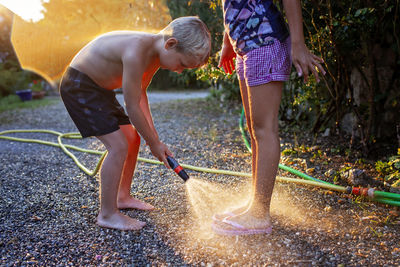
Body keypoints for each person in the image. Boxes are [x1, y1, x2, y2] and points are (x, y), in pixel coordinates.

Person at [59, 16, 211, 231]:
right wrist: (154, 143)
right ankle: (108, 214)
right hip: (79, 85)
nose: (179, 71)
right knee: (118, 146)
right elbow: (131, 106)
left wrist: (154, 140)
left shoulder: (155, 56)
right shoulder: (136, 52)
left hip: (99, 89)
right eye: (182, 64)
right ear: (170, 44)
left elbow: (140, 95)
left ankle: (122, 196)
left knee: (132, 138)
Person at [212, 0, 325, 235]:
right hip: (245, 46)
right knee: (254, 130)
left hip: (265, 42)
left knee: (265, 130)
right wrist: (227, 41)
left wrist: (298, 43)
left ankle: (260, 213)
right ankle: (255, 203)